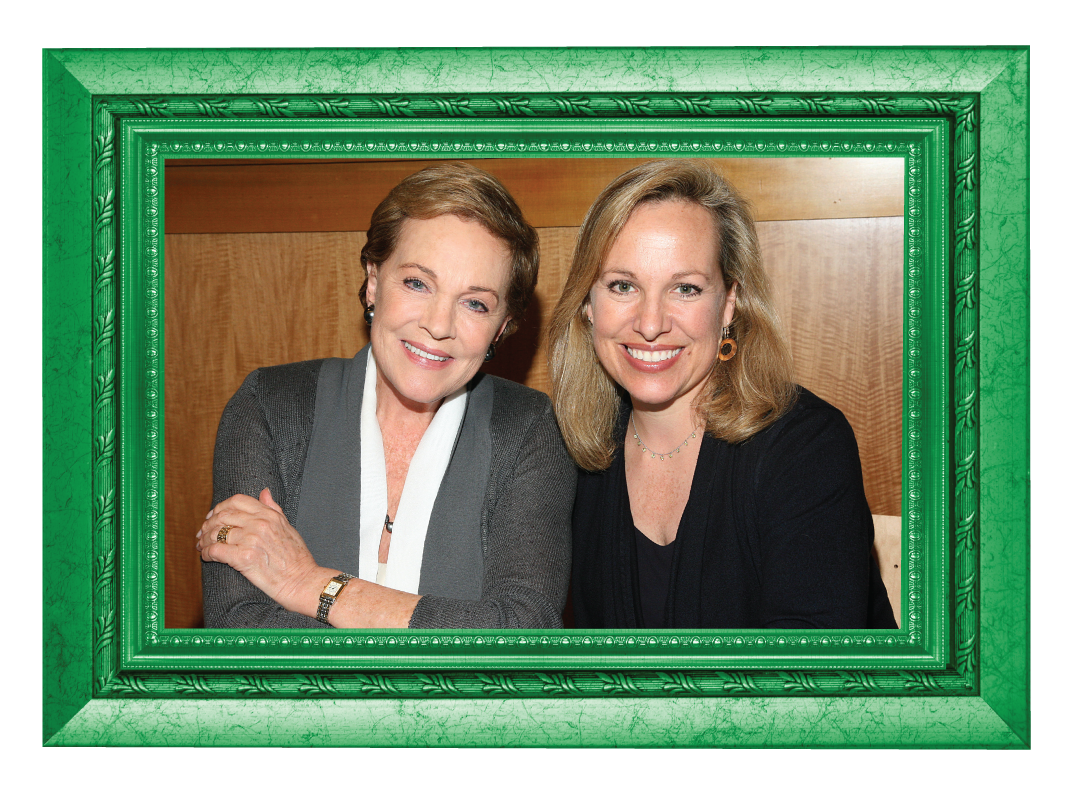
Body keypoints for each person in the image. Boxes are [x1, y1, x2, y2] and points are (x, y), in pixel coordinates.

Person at [197, 162, 574, 629]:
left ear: (502, 327)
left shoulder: (531, 429)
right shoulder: (270, 405)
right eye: (417, 283)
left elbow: (521, 633)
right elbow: (242, 630)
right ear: (374, 280)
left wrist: (307, 583)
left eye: (474, 303)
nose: (438, 325)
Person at [548, 160, 896, 629]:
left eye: (686, 288)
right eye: (623, 285)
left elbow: (809, 685)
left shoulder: (807, 447)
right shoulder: (570, 451)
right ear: (588, 304)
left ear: (729, 303)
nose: (651, 324)